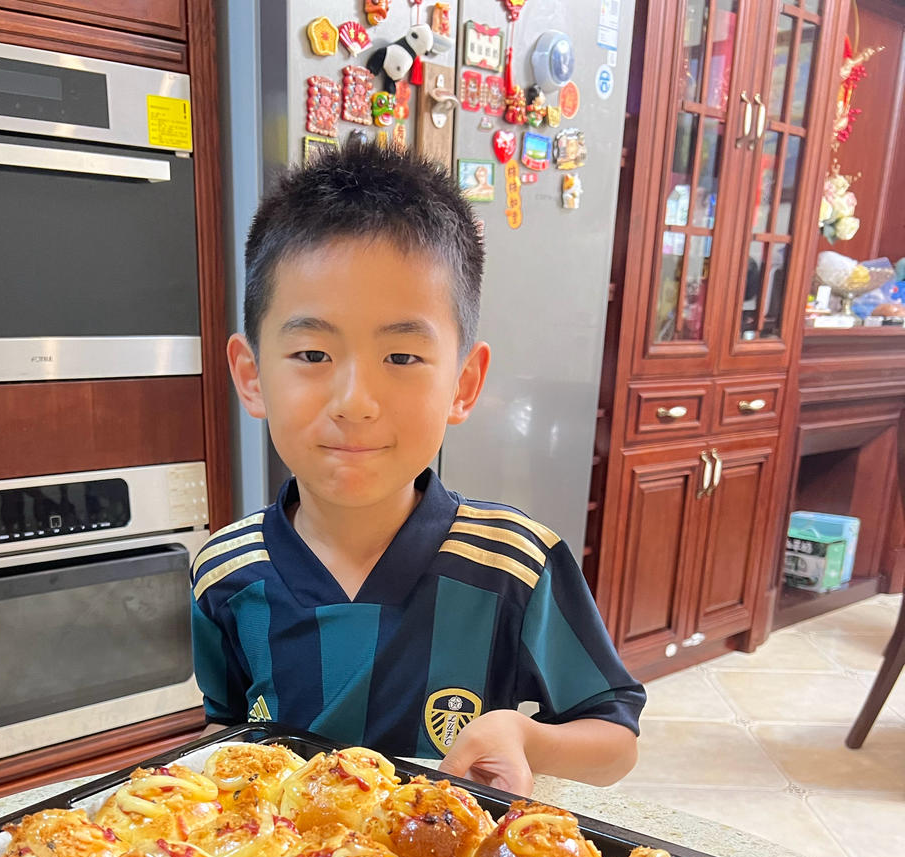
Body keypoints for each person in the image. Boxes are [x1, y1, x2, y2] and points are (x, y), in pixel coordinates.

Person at [191, 141, 644, 795]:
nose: (355, 403)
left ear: (464, 383)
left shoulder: (515, 564)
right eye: (312, 353)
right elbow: (224, 735)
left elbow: (615, 741)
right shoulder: (225, 574)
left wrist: (525, 738)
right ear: (251, 375)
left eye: (402, 358)